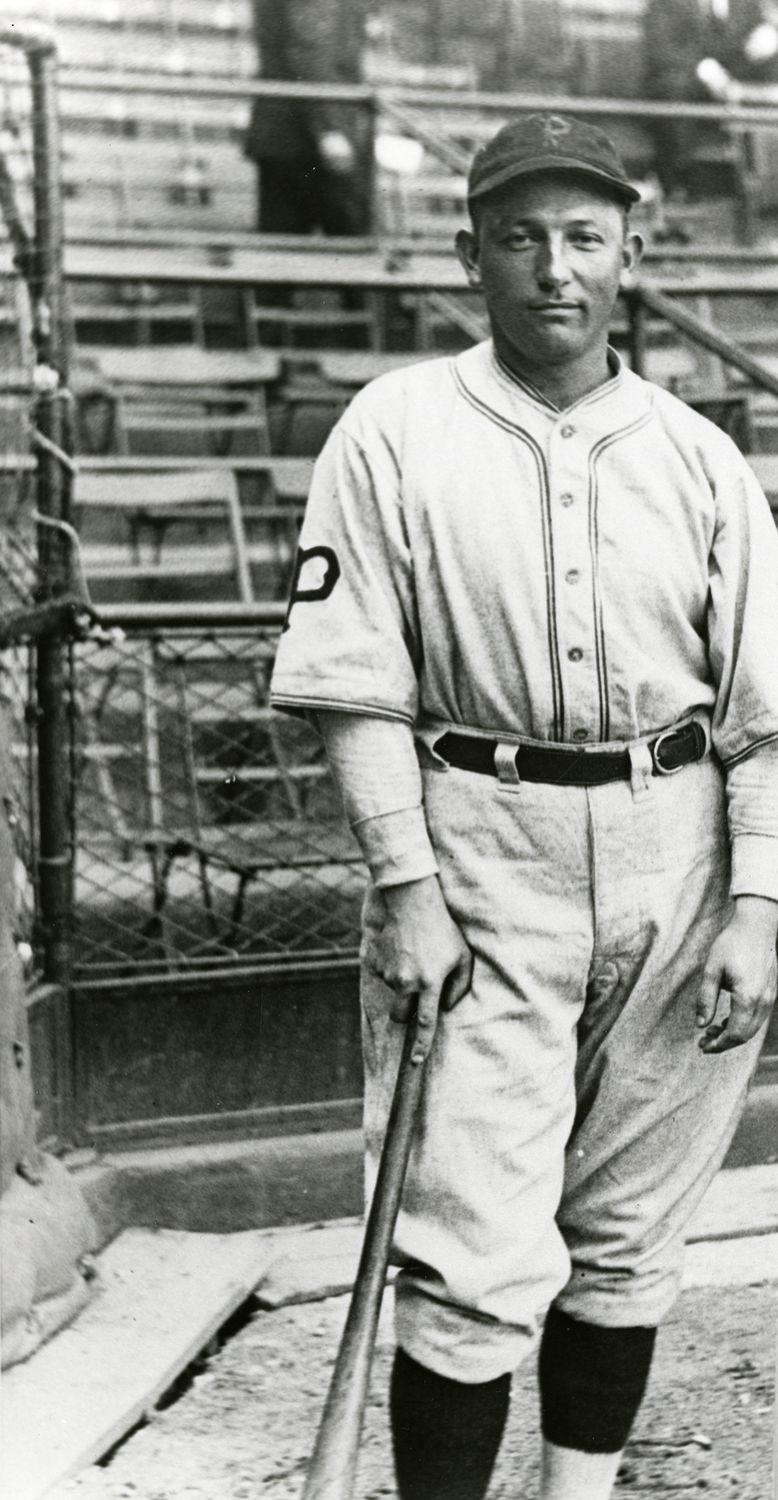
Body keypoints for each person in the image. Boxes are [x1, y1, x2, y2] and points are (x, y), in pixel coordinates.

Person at [270, 113, 778, 1500]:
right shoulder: (394, 430)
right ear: (467, 254)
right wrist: (404, 889)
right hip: (482, 849)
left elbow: (760, 717)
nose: (552, 267)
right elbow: (352, 685)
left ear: (630, 253)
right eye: (517, 237)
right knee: (472, 1250)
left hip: (678, 854)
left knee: (625, 1235)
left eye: (582, 237)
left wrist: (756, 905)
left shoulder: (697, 459)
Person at [244, 0, 372, 236]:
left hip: (288, 133)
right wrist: (330, 130)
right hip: (312, 137)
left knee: (286, 248)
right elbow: (310, 53)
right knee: (349, 250)